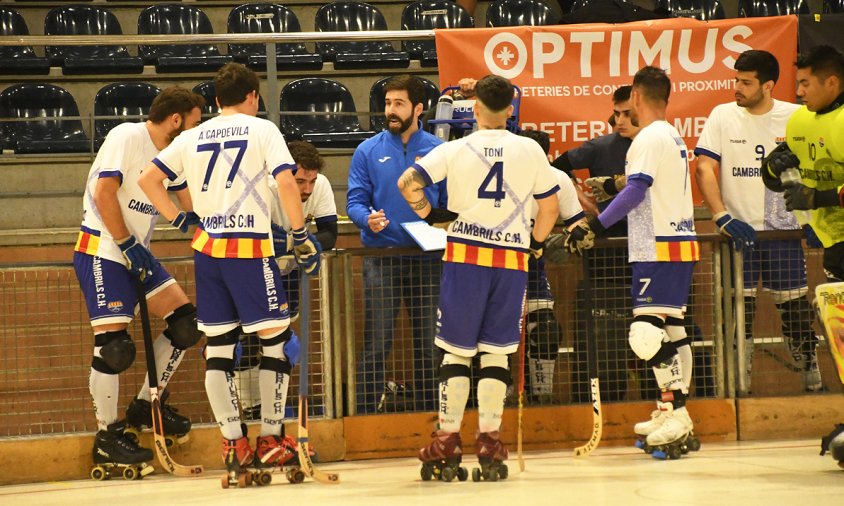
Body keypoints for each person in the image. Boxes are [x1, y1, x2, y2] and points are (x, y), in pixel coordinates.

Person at [137, 63, 321, 479]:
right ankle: (272, 441)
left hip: (208, 252)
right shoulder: (263, 131)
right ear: (253, 96)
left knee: (219, 350)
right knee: (277, 342)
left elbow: (148, 178)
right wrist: (300, 234)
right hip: (251, 251)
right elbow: (288, 183)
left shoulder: (192, 135)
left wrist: (181, 220)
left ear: (217, 100)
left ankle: (234, 444)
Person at [398, 75, 560, 480]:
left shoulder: (454, 148)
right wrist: (536, 245)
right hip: (511, 262)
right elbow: (551, 208)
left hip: (466, 257)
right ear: (510, 109)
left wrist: (429, 214)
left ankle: (448, 439)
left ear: (474, 108)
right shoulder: (531, 150)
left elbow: (408, 182)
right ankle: (490, 441)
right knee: (496, 353)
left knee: (456, 352)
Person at [72, 86, 205, 476]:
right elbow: (103, 192)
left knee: (185, 323)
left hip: (137, 254)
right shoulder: (127, 136)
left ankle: (145, 406)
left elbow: (186, 200)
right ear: (176, 119)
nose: (196, 130)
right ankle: (107, 437)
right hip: (104, 249)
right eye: (194, 123)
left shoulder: (171, 154)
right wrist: (128, 243)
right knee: (114, 349)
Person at [586, 66, 699, 454]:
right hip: (674, 241)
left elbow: (636, 192)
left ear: (635, 96)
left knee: (646, 334)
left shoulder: (650, 137)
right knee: (673, 332)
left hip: (660, 245)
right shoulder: (669, 134)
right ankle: (676, 411)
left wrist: (595, 226)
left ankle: (677, 413)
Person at [695, 49, 821, 393]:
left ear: (768, 85)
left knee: (797, 316)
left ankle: (814, 384)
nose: (737, 87)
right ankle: (739, 388)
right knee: (737, 319)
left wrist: (813, 217)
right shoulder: (722, 115)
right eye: (736, 79)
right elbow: (704, 168)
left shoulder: (797, 116)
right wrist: (721, 216)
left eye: (745, 82)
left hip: (783, 233)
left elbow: (817, 167)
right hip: (739, 235)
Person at [760, 45, 844, 468]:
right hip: (834, 245)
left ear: (832, 82)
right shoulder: (799, 120)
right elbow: (781, 181)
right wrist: (774, 168)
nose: (799, 90)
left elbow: (815, 190)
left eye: (806, 82)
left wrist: (819, 194)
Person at [347, 74, 447, 414]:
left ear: (418, 108)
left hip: (429, 259)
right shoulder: (367, 150)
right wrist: (366, 219)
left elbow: (450, 203)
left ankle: (430, 413)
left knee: (428, 343)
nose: (390, 110)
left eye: (399, 103)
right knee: (377, 341)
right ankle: (366, 414)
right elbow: (355, 202)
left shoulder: (438, 151)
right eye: (388, 103)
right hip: (382, 257)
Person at [235, 140, 337, 421]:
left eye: (311, 181)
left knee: (283, 348)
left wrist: (303, 243)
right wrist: (294, 242)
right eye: (300, 181)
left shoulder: (321, 185)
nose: (307, 189)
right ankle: (254, 410)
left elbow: (330, 233)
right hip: (253, 269)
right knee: (246, 345)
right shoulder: (261, 187)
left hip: (289, 270)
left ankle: (275, 410)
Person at [552, 86, 641, 402]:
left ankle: (657, 398)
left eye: (627, 113)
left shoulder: (657, 144)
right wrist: (584, 205)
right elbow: (558, 167)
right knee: (606, 336)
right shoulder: (601, 146)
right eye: (616, 113)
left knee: (652, 331)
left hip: (650, 250)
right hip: (607, 252)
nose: (619, 120)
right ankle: (604, 398)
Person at [518, 128, 592, 404]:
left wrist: (574, 237)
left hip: (534, 265)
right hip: (500, 264)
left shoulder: (558, 179)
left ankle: (541, 395)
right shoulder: (506, 173)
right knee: (489, 336)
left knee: (546, 331)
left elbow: (576, 222)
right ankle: (491, 398)